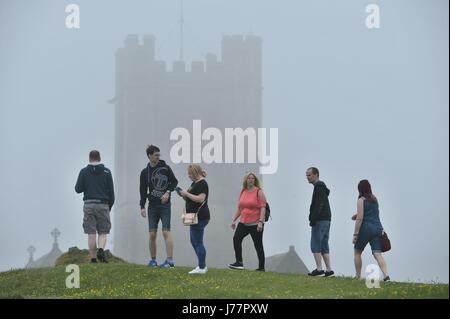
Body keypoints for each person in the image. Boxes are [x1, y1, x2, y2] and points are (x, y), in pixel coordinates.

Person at [139, 145, 178, 268]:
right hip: (152, 206)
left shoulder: (165, 168)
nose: (158, 157)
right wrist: (142, 206)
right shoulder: (145, 172)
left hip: (165, 206)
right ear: (149, 156)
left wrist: (167, 192)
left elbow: (174, 182)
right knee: (152, 234)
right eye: (156, 155)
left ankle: (170, 260)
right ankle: (153, 260)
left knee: (166, 232)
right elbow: (142, 190)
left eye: (159, 154)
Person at [75, 150, 115, 263]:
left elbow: (77, 189)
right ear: (99, 158)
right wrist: (109, 206)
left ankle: (93, 259)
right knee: (103, 232)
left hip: (89, 204)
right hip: (103, 204)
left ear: (89, 158)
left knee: (91, 233)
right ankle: (101, 249)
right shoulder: (107, 172)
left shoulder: (83, 172)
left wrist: (87, 185)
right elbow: (111, 192)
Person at [352, 180, 390, 281]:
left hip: (366, 228)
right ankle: (386, 275)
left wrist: (355, 235)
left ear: (359, 189)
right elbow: (372, 212)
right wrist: (355, 215)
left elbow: (360, 218)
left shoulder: (361, 200)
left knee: (357, 252)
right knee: (377, 253)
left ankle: (358, 276)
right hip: (378, 228)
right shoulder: (374, 199)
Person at [229, 172, 267, 271]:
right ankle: (239, 263)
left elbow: (263, 207)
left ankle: (261, 267)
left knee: (258, 245)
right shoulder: (243, 191)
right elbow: (240, 208)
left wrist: (260, 222)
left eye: (253, 178)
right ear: (246, 180)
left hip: (255, 223)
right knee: (236, 239)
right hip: (243, 223)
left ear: (255, 180)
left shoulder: (259, 192)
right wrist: (233, 220)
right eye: (249, 178)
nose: (251, 180)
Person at [177, 164, 210, 274]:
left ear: (195, 173)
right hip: (192, 216)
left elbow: (200, 199)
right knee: (193, 241)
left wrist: (187, 193)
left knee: (198, 242)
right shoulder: (194, 183)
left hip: (200, 216)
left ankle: (201, 267)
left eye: (190, 174)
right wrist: (183, 195)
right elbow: (190, 199)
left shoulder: (202, 183)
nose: (189, 176)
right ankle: (202, 265)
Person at [306, 167, 334, 277]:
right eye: (307, 175)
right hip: (326, 219)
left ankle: (319, 268)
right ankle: (329, 270)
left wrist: (313, 218)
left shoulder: (318, 186)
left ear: (316, 174)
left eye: (309, 175)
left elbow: (319, 204)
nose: (307, 177)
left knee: (315, 243)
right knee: (323, 244)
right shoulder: (321, 187)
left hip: (320, 219)